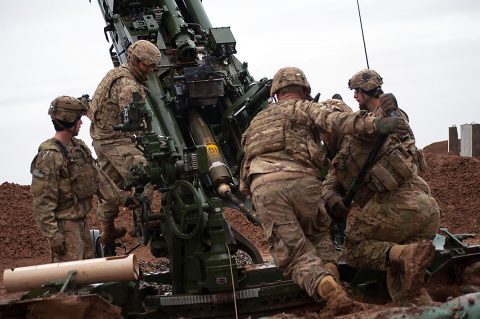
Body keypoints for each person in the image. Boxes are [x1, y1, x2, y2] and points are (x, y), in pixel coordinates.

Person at [240, 67, 408, 315]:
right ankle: (333, 283)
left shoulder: (256, 122)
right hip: (304, 182)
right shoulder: (306, 108)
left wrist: (252, 197)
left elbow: (245, 163)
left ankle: (325, 288)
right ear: (305, 91)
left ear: (276, 94)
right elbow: (339, 121)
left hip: (265, 185)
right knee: (320, 235)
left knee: (294, 253)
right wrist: (378, 123)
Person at [321, 69, 440, 306]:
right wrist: (333, 198)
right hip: (427, 210)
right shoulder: (340, 157)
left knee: (353, 251)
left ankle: (406, 254)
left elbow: (389, 122)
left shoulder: (358, 134)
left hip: (398, 208)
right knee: (400, 286)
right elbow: (329, 184)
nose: (324, 135)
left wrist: (391, 108)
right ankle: (425, 304)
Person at [31, 96, 136, 262]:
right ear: (69, 120)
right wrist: (53, 235)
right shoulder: (50, 156)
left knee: (87, 276)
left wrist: (123, 198)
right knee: (72, 278)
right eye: (78, 119)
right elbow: (42, 200)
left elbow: (98, 177)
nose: (81, 122)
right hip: (65, 228)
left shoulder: (79, 148)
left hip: (82, 223)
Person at [88, 39, 161, 247]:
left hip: (101, 138)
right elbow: (134, 123)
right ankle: (141, 223)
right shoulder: (128, 86)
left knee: (110, 185)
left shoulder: (116, 73)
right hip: (116, 140)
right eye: (149, 65)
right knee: (144, 174)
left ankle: (107, 232)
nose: (152, 70)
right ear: (136, 61)